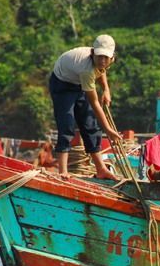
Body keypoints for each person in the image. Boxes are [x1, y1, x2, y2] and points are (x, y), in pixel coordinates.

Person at [48, 34, 122, 180]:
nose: (102, 60)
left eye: (106, 57)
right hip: (62, 84)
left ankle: (101, 169)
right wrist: (108, 130)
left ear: (112, 57)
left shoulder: (103, 63)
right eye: (99, 56)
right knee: (67, 124)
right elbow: (95, 103)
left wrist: (106, 90)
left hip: (79, 83)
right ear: (93, 53)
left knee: (90, 125)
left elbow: (101, 71)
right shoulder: (86, 69)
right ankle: (62, 171)